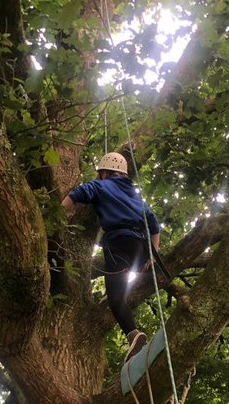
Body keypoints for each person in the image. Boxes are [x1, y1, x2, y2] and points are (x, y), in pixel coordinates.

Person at [61, 152, 161, 362]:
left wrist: (55, 217)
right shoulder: (136, 198)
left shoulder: (99, 186)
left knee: (115, 299)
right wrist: (153, 253)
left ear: (105, 172)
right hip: (140, 248)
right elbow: (154, 225)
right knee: (120, 290)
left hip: (119, 244)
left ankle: (134, 334)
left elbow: (77, 193)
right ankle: (134, 337)